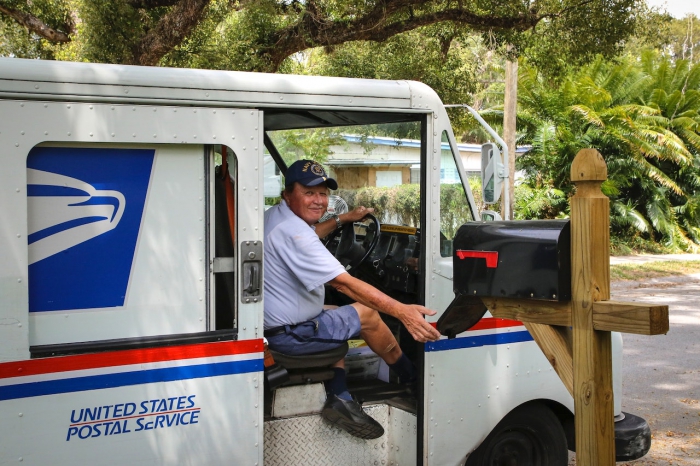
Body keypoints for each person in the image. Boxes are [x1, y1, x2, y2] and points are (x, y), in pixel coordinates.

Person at [263, 159, 440, 440]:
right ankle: (411, 380)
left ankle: (339, 393)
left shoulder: (277, 216)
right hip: (287, 336)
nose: (318, 201)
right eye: (309, 193)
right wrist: (402, 310)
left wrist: (343, 219)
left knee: (337, 312)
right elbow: (343, 283)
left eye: (323, 193)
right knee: (366, 314)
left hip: (276, 321)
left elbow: (312, 234)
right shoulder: (295, 233)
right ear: (288, 194)